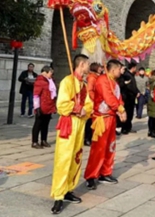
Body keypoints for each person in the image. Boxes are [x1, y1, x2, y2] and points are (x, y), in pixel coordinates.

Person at [50, 54, 93, 215]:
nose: (88, 67)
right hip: (68, 123)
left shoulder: (83, 84)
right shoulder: (68, 81)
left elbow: (89, 104)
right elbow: (61, 105)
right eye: (87, 64)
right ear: (81, 64)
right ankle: (59, 196)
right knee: (64, 159)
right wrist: (76, 108)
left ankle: (69, 188)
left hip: (80, 124)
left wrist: (85, 110)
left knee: (76, 157)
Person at [84, 59, 127, 190]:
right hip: (101, 118)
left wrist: (120, 109)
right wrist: (120, 109)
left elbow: (118, 98)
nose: (121, 71)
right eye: (119, 69)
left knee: (110, 146)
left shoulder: (114, 82)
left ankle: (105, 172)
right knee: (98, 148)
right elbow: (108, 98)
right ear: (114, 69)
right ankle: (91, 176)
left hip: (111, 117)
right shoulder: (102, 80)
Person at [32, 66, 56, 149]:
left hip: (48, 106)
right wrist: (37, 107)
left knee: (46, 124)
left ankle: (43, 140)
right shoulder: (40, 81)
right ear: (45, 72)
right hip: (41, 106)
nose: (51, 75)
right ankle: (34, 142)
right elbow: (36, 95)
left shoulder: (50, 81)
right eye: (50, 73)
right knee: (38, 124)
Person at [85, 63, 103, 146]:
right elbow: (90, 90)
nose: (101, 69)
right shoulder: (92, 77)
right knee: (90, 120)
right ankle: (87, 138)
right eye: (99, 67)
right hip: (92, 101)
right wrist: (95, 99)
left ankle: (92, 137)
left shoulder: (98, 76)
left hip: (97, 100)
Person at [119, 62, 139, 134]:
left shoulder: (131, 75)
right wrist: (135, 92)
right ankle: (125, 128)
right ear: (133, 67)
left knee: (130, 113)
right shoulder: (127, 75)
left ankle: (128, 127)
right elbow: (129, 87)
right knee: (127, 112)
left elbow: (134, 86)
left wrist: (137, 91)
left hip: (131, 97)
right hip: (127, 97)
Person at [146, 69, 155, 138]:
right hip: (154, 101)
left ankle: (150, 131)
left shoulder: (150, 81)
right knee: (153, 117)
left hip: (150, 100)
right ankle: (153, 132)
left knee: (151, 117)